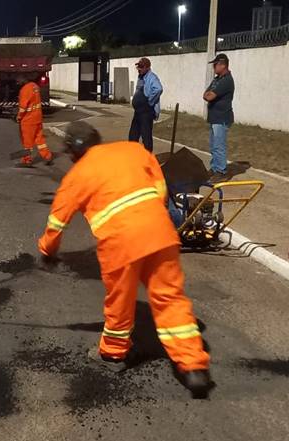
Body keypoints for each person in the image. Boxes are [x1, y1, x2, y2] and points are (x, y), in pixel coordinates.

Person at [37, 121, 213, 398]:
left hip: (120, 244)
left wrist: (47, 251)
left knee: (120, 301)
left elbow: (57, 220)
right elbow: (159, 186)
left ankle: (112, 353)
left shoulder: (77, 175)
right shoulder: (133, 150)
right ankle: (193, 367)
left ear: (72, 151)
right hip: (160, 233)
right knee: (170, 299)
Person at [202, 53, 235, 183]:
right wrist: (208, 94)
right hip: (214, 117)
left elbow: (209, 96)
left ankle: (221, 172)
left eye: (215, 65)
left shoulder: (226, 80)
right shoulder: (217, 80)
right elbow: (205, 94)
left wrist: (209, 95)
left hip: (222, 117)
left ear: (223, 65)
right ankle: (215, 168)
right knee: (213, 145)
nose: (214, 67)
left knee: (219, 146)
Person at [16, 77, 54, 167]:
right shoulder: (35, 86)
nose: (17, 82)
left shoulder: (24, 90)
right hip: (37, 118)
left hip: (28, 120)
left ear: (23, 80)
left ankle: (26, 160)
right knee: (40, 140)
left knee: (27, 142)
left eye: (18, 80)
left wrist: (18, 117)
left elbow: (23, 107)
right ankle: (47, 156)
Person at [128, 57, 163, 152]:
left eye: (141, 67)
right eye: (138, 67)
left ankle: (148, 158)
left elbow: (159, 89)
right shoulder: (141, 76)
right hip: (138, 112)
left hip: (146, 112)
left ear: (147, 67)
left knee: (146, 137)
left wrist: (150, 101)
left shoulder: (152, 77)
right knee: (132, 136)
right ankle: (133, 157)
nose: (139, 69)